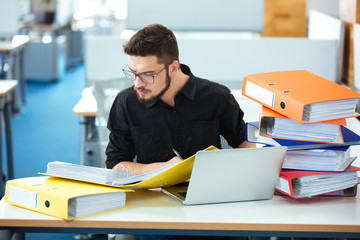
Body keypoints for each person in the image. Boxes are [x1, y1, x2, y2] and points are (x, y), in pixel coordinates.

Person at [105, 23, 255, 240]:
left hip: (211, 208)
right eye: (133, 73)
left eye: (147, 75)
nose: (138, 83)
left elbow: (244, 145)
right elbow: (116, 165)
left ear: (173, 67)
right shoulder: (126, 102)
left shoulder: (217, 98)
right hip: (153, 212)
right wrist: (163, 169)